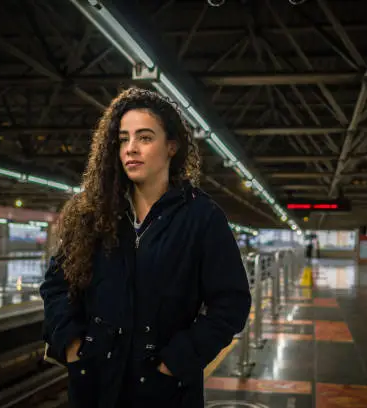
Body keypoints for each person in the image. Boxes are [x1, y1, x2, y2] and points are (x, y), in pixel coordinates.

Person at [40, 87, 252, 408]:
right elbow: (57, 285)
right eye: (123, 139)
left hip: (165, 390)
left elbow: (231, 304)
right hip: (95, 384)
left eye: (144, 138)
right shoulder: (93, 213)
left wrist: (177, 361)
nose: (131, 149)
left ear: (172, 146)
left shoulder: (201, 217)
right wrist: (71, 344)